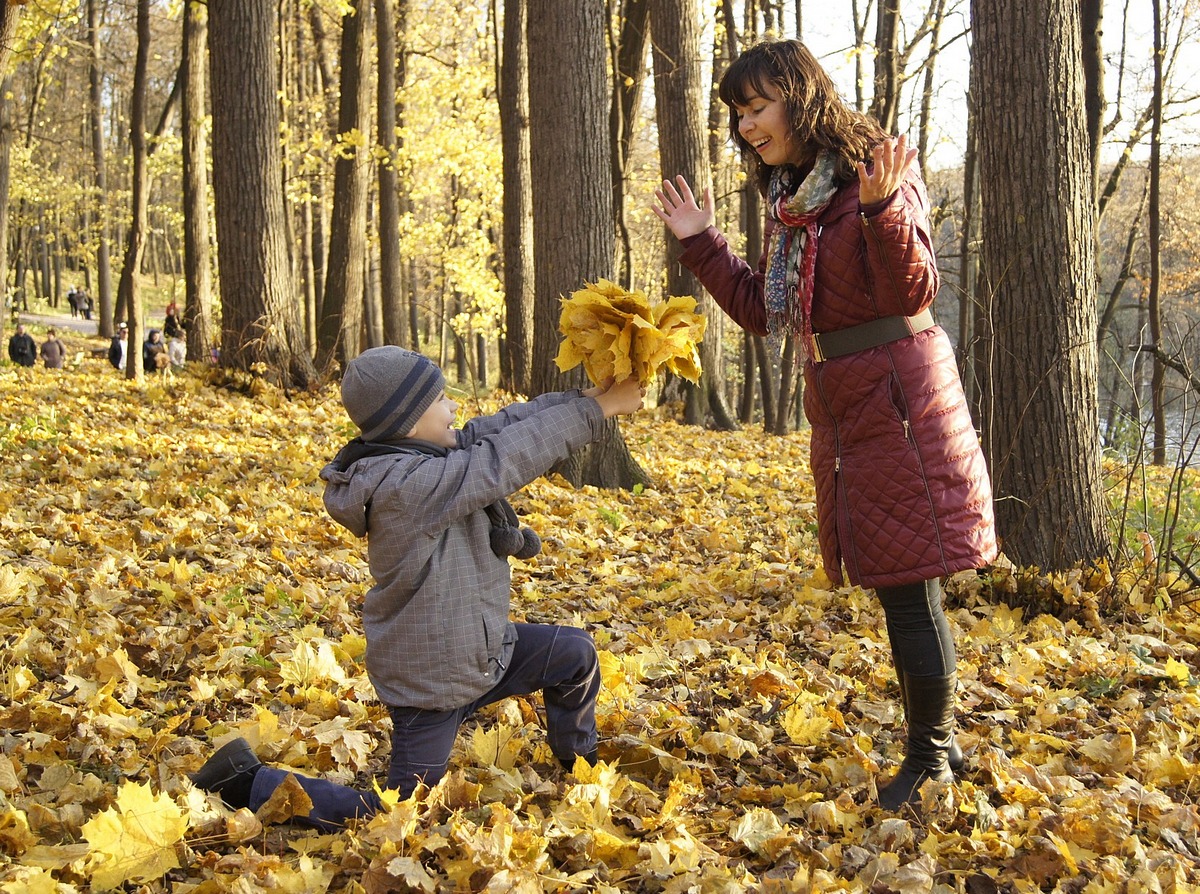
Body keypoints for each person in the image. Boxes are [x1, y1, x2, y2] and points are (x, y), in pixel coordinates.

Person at [652, 39, 997, 811]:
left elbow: (913, 286)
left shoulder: (872, 175)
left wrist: (881, 211)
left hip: (900, 402)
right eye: (738, 114)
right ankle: (937, 743)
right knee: (897, 585)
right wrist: (700, 242)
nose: (745, 126)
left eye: (756, 107)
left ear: (800, 98)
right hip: (847, 407)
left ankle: (932, 760)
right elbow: (763, 312)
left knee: (909, 588)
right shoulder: (795, 198)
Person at [190, 346, 646, 830]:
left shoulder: (419, 456)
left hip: (478, 651)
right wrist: (598, 411)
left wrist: (580, 397)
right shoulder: (408, 486)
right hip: (431, 681)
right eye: (442, 400)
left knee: (575, 655)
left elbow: (493, 431)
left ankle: (581, 764)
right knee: (402, 813)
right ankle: (247, 781)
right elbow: (504, 459)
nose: (454, 409)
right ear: (407, 422)